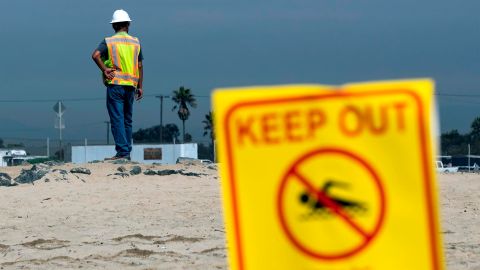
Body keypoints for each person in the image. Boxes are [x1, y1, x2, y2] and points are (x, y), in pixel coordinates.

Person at [91, 9, 144, 160]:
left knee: (117, 119)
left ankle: (122, 152)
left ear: (114, 26)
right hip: (131, 85)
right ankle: (126, 152)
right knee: (127, 119)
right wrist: (140, 86)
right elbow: (139, 65)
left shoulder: (109, 41)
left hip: (116, 85)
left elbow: (95, 55)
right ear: (128, 24)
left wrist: (105, 69)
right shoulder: (136, 42)